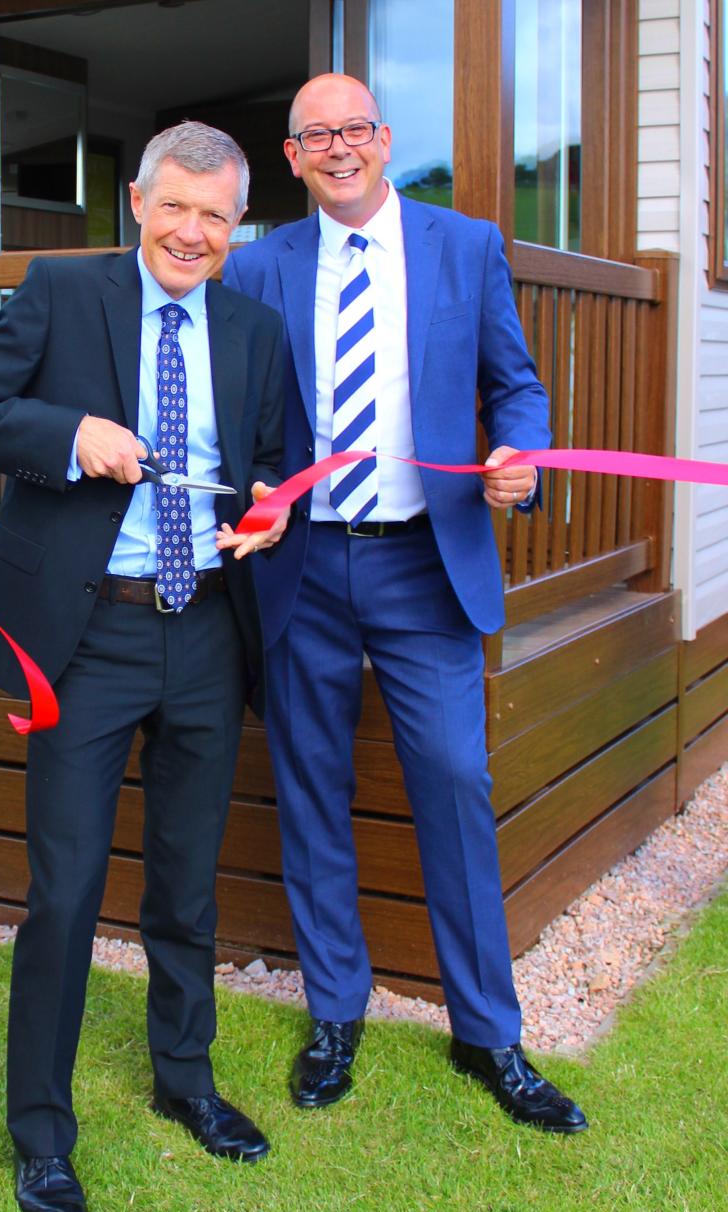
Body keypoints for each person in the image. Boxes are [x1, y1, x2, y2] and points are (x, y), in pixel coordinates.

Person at [0, 121, 287, 1212]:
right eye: (174, 207)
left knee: (184, 885)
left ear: (236, 224)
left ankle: (186, 1081)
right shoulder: (59, 291)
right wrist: (70, 431)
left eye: (215, 216)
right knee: (66, 891)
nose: (192, 232)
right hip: (85, 641)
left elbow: (273, 464)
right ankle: (41, 1133)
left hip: (206, 629)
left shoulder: (254, 329)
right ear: (136, 201)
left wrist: (270, 511)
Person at [222, 75, 587, 1133]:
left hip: (424, 562)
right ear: (290, 157)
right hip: (301, 566)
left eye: (353, 129)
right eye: (313, 136)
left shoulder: (462, 246)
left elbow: (512, 382)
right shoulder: (257, 266)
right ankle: (334, 1012)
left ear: (383, 140)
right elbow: (246, 409)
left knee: (453, 779)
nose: (337, 148)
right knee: (308, 788)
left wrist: (519, 449)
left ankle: (488, 1032)